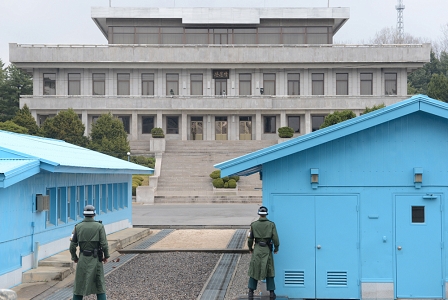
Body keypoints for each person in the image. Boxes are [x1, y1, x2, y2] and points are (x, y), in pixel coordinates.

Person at [70, 205, 110, 300]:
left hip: (83, 259)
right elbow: (104, 244)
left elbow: (72, 246)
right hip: (96, 259)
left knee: (79, 285)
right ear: (94, 214)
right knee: (99, 285)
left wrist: (74, 258)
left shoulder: (77, 227)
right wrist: (106, 256)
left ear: (84, 214)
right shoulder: (99, 226)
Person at [247, 206, 279, 300]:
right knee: (269, 269)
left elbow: (250, 239)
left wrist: (250, 248)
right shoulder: (271, 225)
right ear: (266, 214)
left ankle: (250, 292)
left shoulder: (254, 224)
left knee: (254, 269)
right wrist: (276, 248)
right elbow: (275, 239)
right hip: (267, 249)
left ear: (259, 214)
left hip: (257, 249)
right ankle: (272, 293)